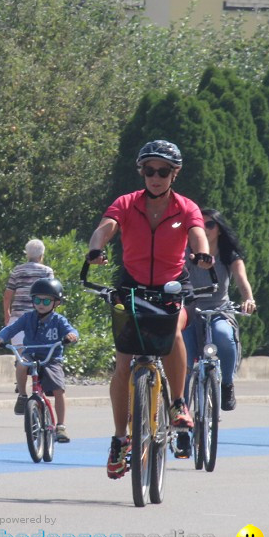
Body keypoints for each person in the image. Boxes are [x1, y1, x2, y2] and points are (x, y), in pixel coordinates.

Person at [85, 140, 213, 479]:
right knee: (124, 361)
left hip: (173, 285)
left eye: (163, 171)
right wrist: (96, 249)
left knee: (173, 330)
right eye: (149, 170)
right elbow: (105, 227)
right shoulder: (127, 203)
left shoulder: (185, 207)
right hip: (133, 284)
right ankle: (119, 439)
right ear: (142, 171)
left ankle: (177, 404)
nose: (155, 177)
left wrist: (202, 255)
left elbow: (197, 233)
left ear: (175, 174)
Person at [183, 208, 256, 411]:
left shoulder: (228, 255)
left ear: (219, 230)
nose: (205, 229)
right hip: (189, 312)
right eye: (200, 225)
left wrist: (248, 299)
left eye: (210, 224)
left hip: (218, 311)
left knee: (224, 335)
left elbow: (242, 281)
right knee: (184, 361)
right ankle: (181, 412)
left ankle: (227, 384)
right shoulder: (186, 253)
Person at [0, 278, 79, 443]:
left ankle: (61, 426)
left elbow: (71, 330)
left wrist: (72, 336)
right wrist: (1, 337)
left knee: (59, 390)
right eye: (37, 300)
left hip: (51, 358)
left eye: (46, 301)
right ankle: (23, 395)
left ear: (56, 303)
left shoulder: (59, 320)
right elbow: (11, 329)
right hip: (31, 354)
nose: (41, 304)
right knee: (21, 363)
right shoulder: (27, 318)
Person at [2, 238, 54, 413]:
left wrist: (7, 314)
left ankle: (22, 390)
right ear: (41, 255)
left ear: (27, 254)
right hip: (38, 318)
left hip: (18, 316)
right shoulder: (47, 271)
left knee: (21, 355)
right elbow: (52, 293)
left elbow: (8, 294)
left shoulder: (17, 270)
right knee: (38, 351)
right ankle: (38, 385)